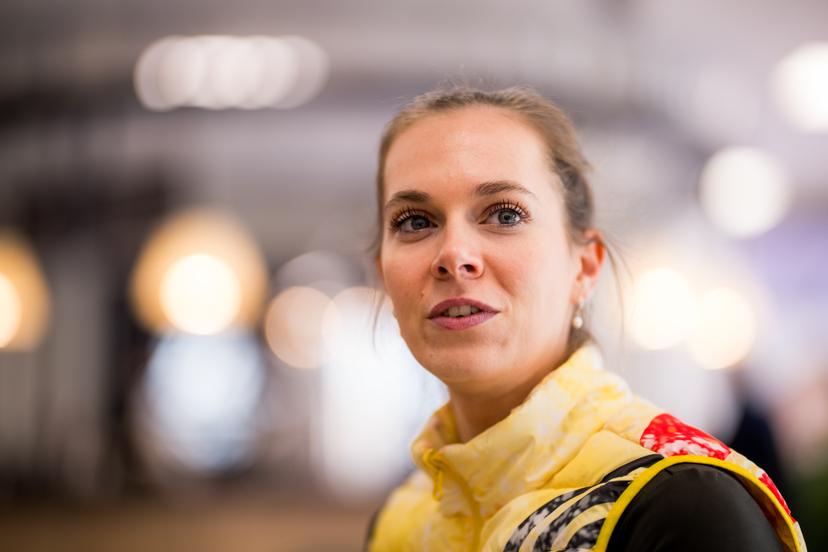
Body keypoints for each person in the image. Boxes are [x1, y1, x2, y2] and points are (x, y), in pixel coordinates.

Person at [365, 86, 806, 551]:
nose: (453, 255)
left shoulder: (677, 501)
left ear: (585, 266)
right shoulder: (401, 522)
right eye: (414, 221)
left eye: (505, 214)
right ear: (383, 276)